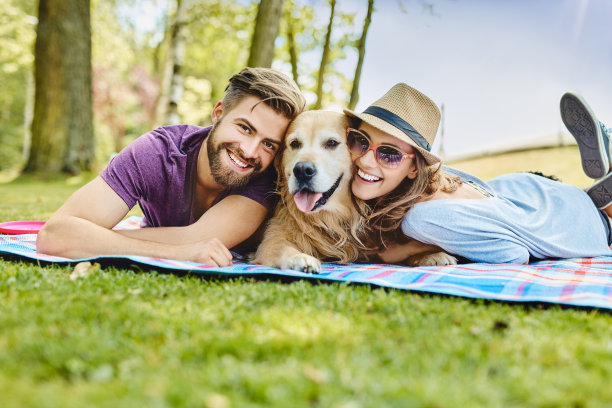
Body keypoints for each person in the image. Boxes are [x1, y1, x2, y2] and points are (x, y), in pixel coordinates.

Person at [37, 67, 306, 266]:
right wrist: (179, 253)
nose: (250, 152)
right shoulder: (157, 153)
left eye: (269, 144)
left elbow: (199, 238)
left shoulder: (266, 174)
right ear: (218, 113)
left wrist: (101, 238)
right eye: (245, 128)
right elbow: (54, 236)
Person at [343, 83, 612, 264]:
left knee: (601, 218)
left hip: (572, 223)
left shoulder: (420, 220)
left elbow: (514, 255)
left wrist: (409, 248)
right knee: (593, 204)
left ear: (415, 167)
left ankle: (600, 202)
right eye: (359, 140)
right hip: (533, 193)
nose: (365, 160)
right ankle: (604, 171)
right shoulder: (429, 182)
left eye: (389, 154)